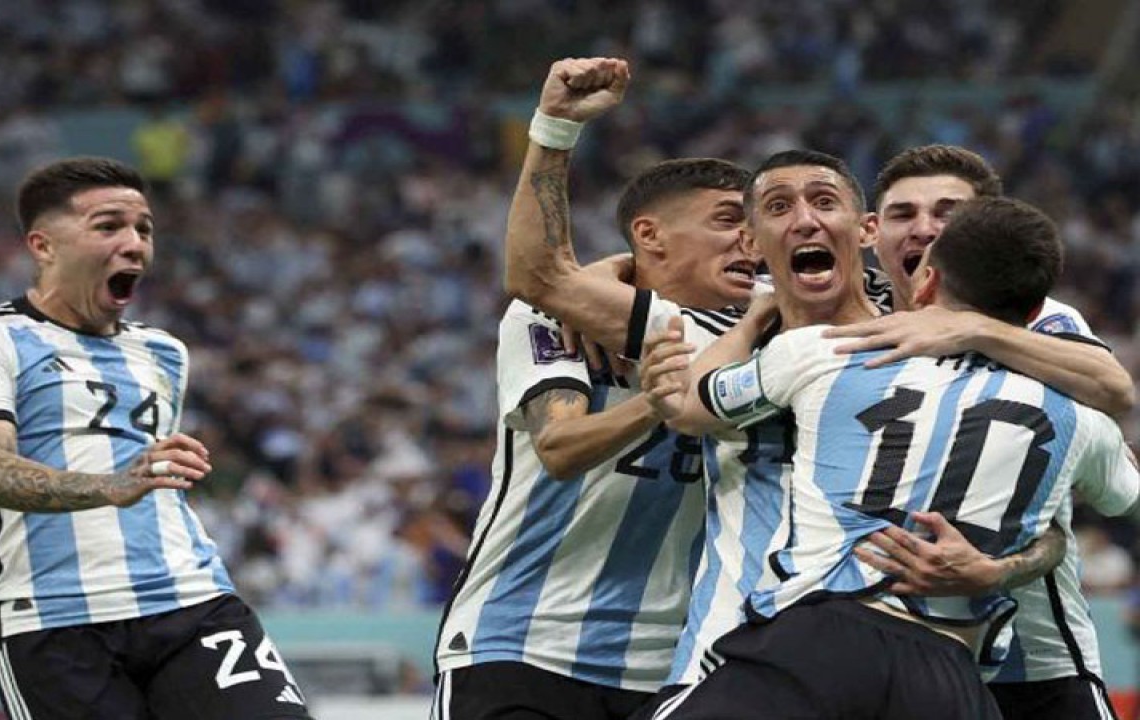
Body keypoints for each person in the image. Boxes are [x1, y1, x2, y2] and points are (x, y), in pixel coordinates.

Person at [642, 182, 1139, 719]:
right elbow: (1126, 496)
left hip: (820, 643)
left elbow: (695, 404)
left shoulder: (824, 351)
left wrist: (757, 314)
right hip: (951, 673)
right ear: (1038, 307)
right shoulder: (1080, 420)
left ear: (927, 280)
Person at [0, 157, 312, 719]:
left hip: (192, 602)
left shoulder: (164, 352)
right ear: (43, 245)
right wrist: (110, 485)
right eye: (108, 226)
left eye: (144, 228)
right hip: (55, 623)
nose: (135, 244)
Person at [431, 58, 758, 720]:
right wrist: (653, 402)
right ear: (650, 236)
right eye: (728, 219)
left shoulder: (763, 340)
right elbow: (559, 446)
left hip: (670, 662)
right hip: (521, 642)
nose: (749, 238)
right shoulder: (559, 318)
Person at [826, 144, 1136, 719]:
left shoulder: (1040, 321)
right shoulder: (837, 327)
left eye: (949, 213)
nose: (926, 229)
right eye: (903, 214)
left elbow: (1114, 388)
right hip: (867, 659)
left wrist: (974, 328)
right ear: (870, 231)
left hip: (1034, 661)